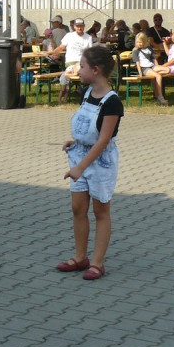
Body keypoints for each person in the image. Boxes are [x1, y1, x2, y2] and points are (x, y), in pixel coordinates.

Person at [56, 46, 122, 281]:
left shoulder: (112, 102)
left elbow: (103, 140)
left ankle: (97, 262)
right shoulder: (87, 93)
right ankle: (80, 256)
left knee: (100, 210)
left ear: (95, 70)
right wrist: (75, 141)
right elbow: (88, 129)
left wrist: (80, 167)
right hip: (81, 155)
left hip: (99, 162)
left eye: (82, 66)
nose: (78, 70)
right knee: (77, 208)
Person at [51, 18, 93, 101]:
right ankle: (80, 88)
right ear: (74, 27)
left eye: (81, 26)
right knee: (80, 71)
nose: (80, 28)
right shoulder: (69, 36)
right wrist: (52, 53)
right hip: (71, 61)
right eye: (78, 26)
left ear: (84, 26)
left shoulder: (88, 37)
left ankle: (78, 86)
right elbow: (61, 47)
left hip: (82, 62)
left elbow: (90, 52)